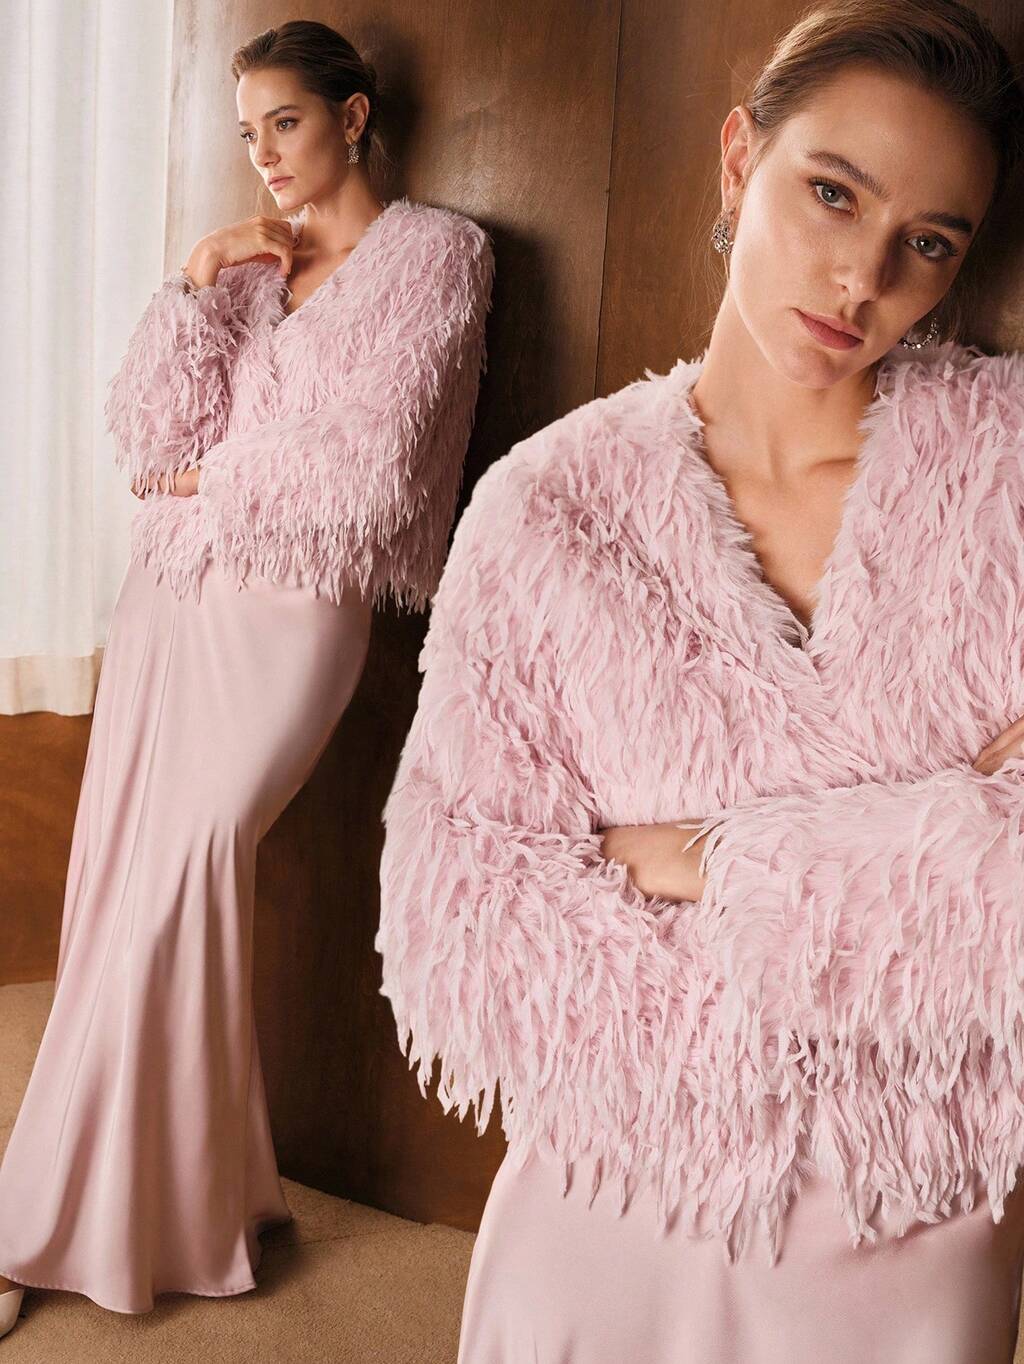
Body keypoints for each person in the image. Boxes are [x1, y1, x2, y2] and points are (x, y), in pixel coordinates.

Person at [374, 2, 1024, 1359]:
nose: (861, 278)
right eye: (832, 193)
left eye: (928, 243)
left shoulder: (1005, 478)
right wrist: (928, 851)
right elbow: (461, 913)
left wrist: (715, 861)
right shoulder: (548, 508)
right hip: (616, 1187)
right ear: (741, 162)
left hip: (912, 1205)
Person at [0, 18, 492, 1332]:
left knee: (186, 875)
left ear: (352, 115)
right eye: (247, 132)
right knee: (120, 889)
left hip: (294, 614)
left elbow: (373, 465)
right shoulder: (252, 269)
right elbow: (145, 434)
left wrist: (209, 476)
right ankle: (180, 1201)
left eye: (286, 121)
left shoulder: (439, 256)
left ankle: (43, 1220)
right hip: (171, 595)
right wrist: (194, 278)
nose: (265, 153)